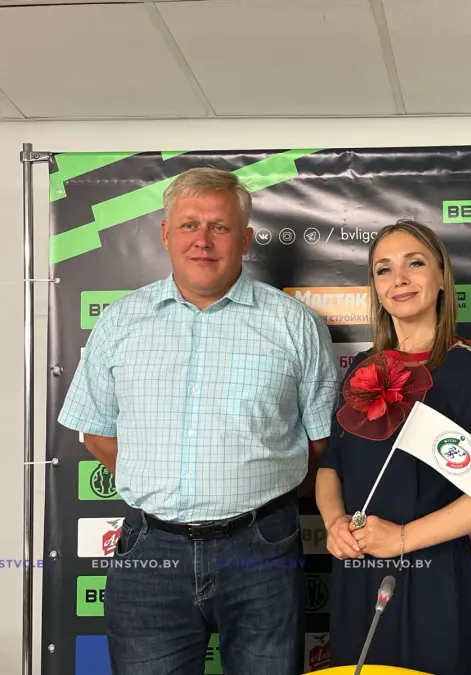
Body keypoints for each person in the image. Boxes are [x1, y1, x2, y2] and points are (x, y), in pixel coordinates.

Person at [57, 167, 339, 675]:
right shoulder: (120, 321)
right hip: (150, 551)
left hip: (262, 549)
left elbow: (321, 442)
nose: (202, 240)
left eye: (220, 227)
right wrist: (157, 479)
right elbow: (95, 430)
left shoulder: (295, 324)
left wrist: (251, 488)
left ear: (245, 240)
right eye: (189, 225)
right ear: (166, 234)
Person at [316, 219, 471, 675]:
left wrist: (402, 539)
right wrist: (334, 524)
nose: (399, 279)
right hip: (357, 569)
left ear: (441, 277)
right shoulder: (361, 369)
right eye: (384, 269)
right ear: (375, 288)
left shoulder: (463, 366)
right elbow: (331, 465)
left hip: (430, 576)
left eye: (414, 264)